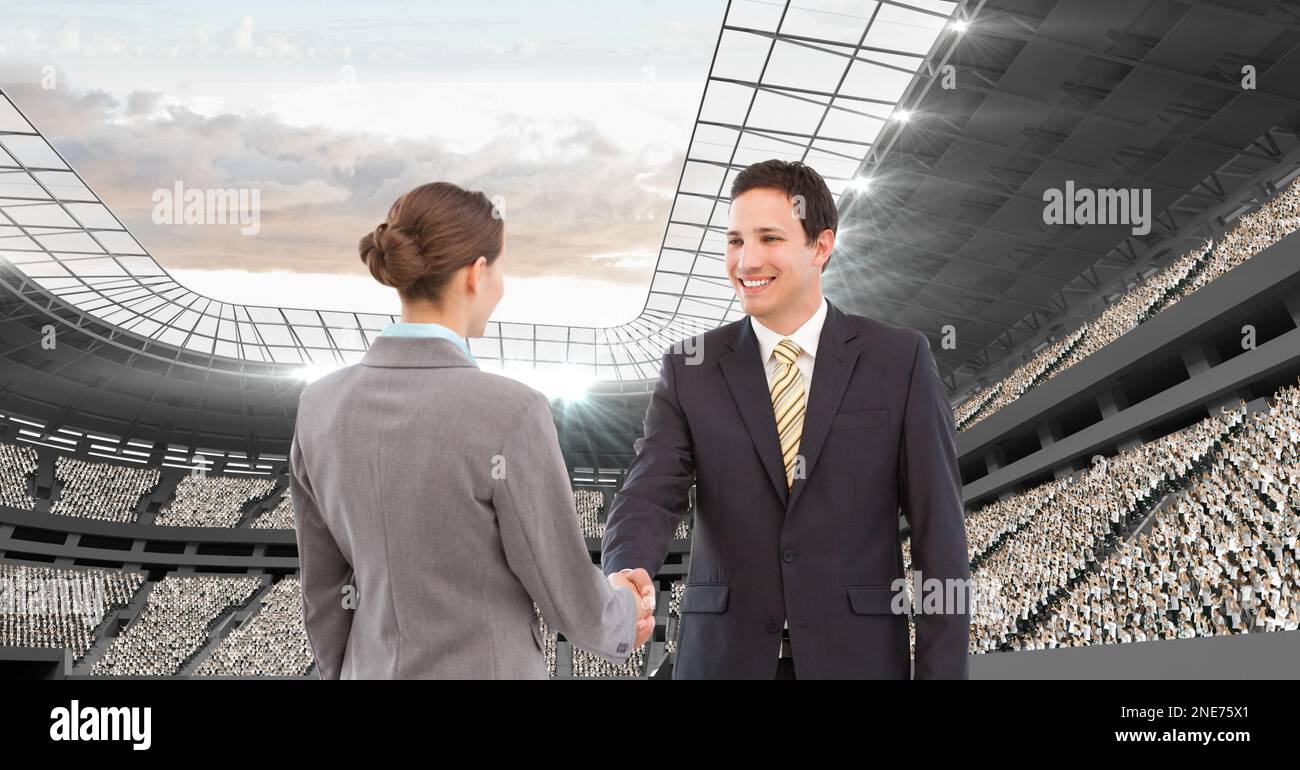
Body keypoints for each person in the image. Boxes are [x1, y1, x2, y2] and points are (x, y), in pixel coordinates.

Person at [602, 160, 970, 679]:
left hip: (859, 663)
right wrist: (625, 569)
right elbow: (648, 491)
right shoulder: (690, 368)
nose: (746, 260)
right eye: (734, 241)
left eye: (769, 238)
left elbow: (940, 540)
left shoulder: (900, 359)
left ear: (820, 246)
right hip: (724, 661)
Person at [290, 182, 654, 678]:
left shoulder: (318, 406)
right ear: (477, 273)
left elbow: (324, 592)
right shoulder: (511, 412)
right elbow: (567, 594)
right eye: (500, 268)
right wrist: (627, 608)